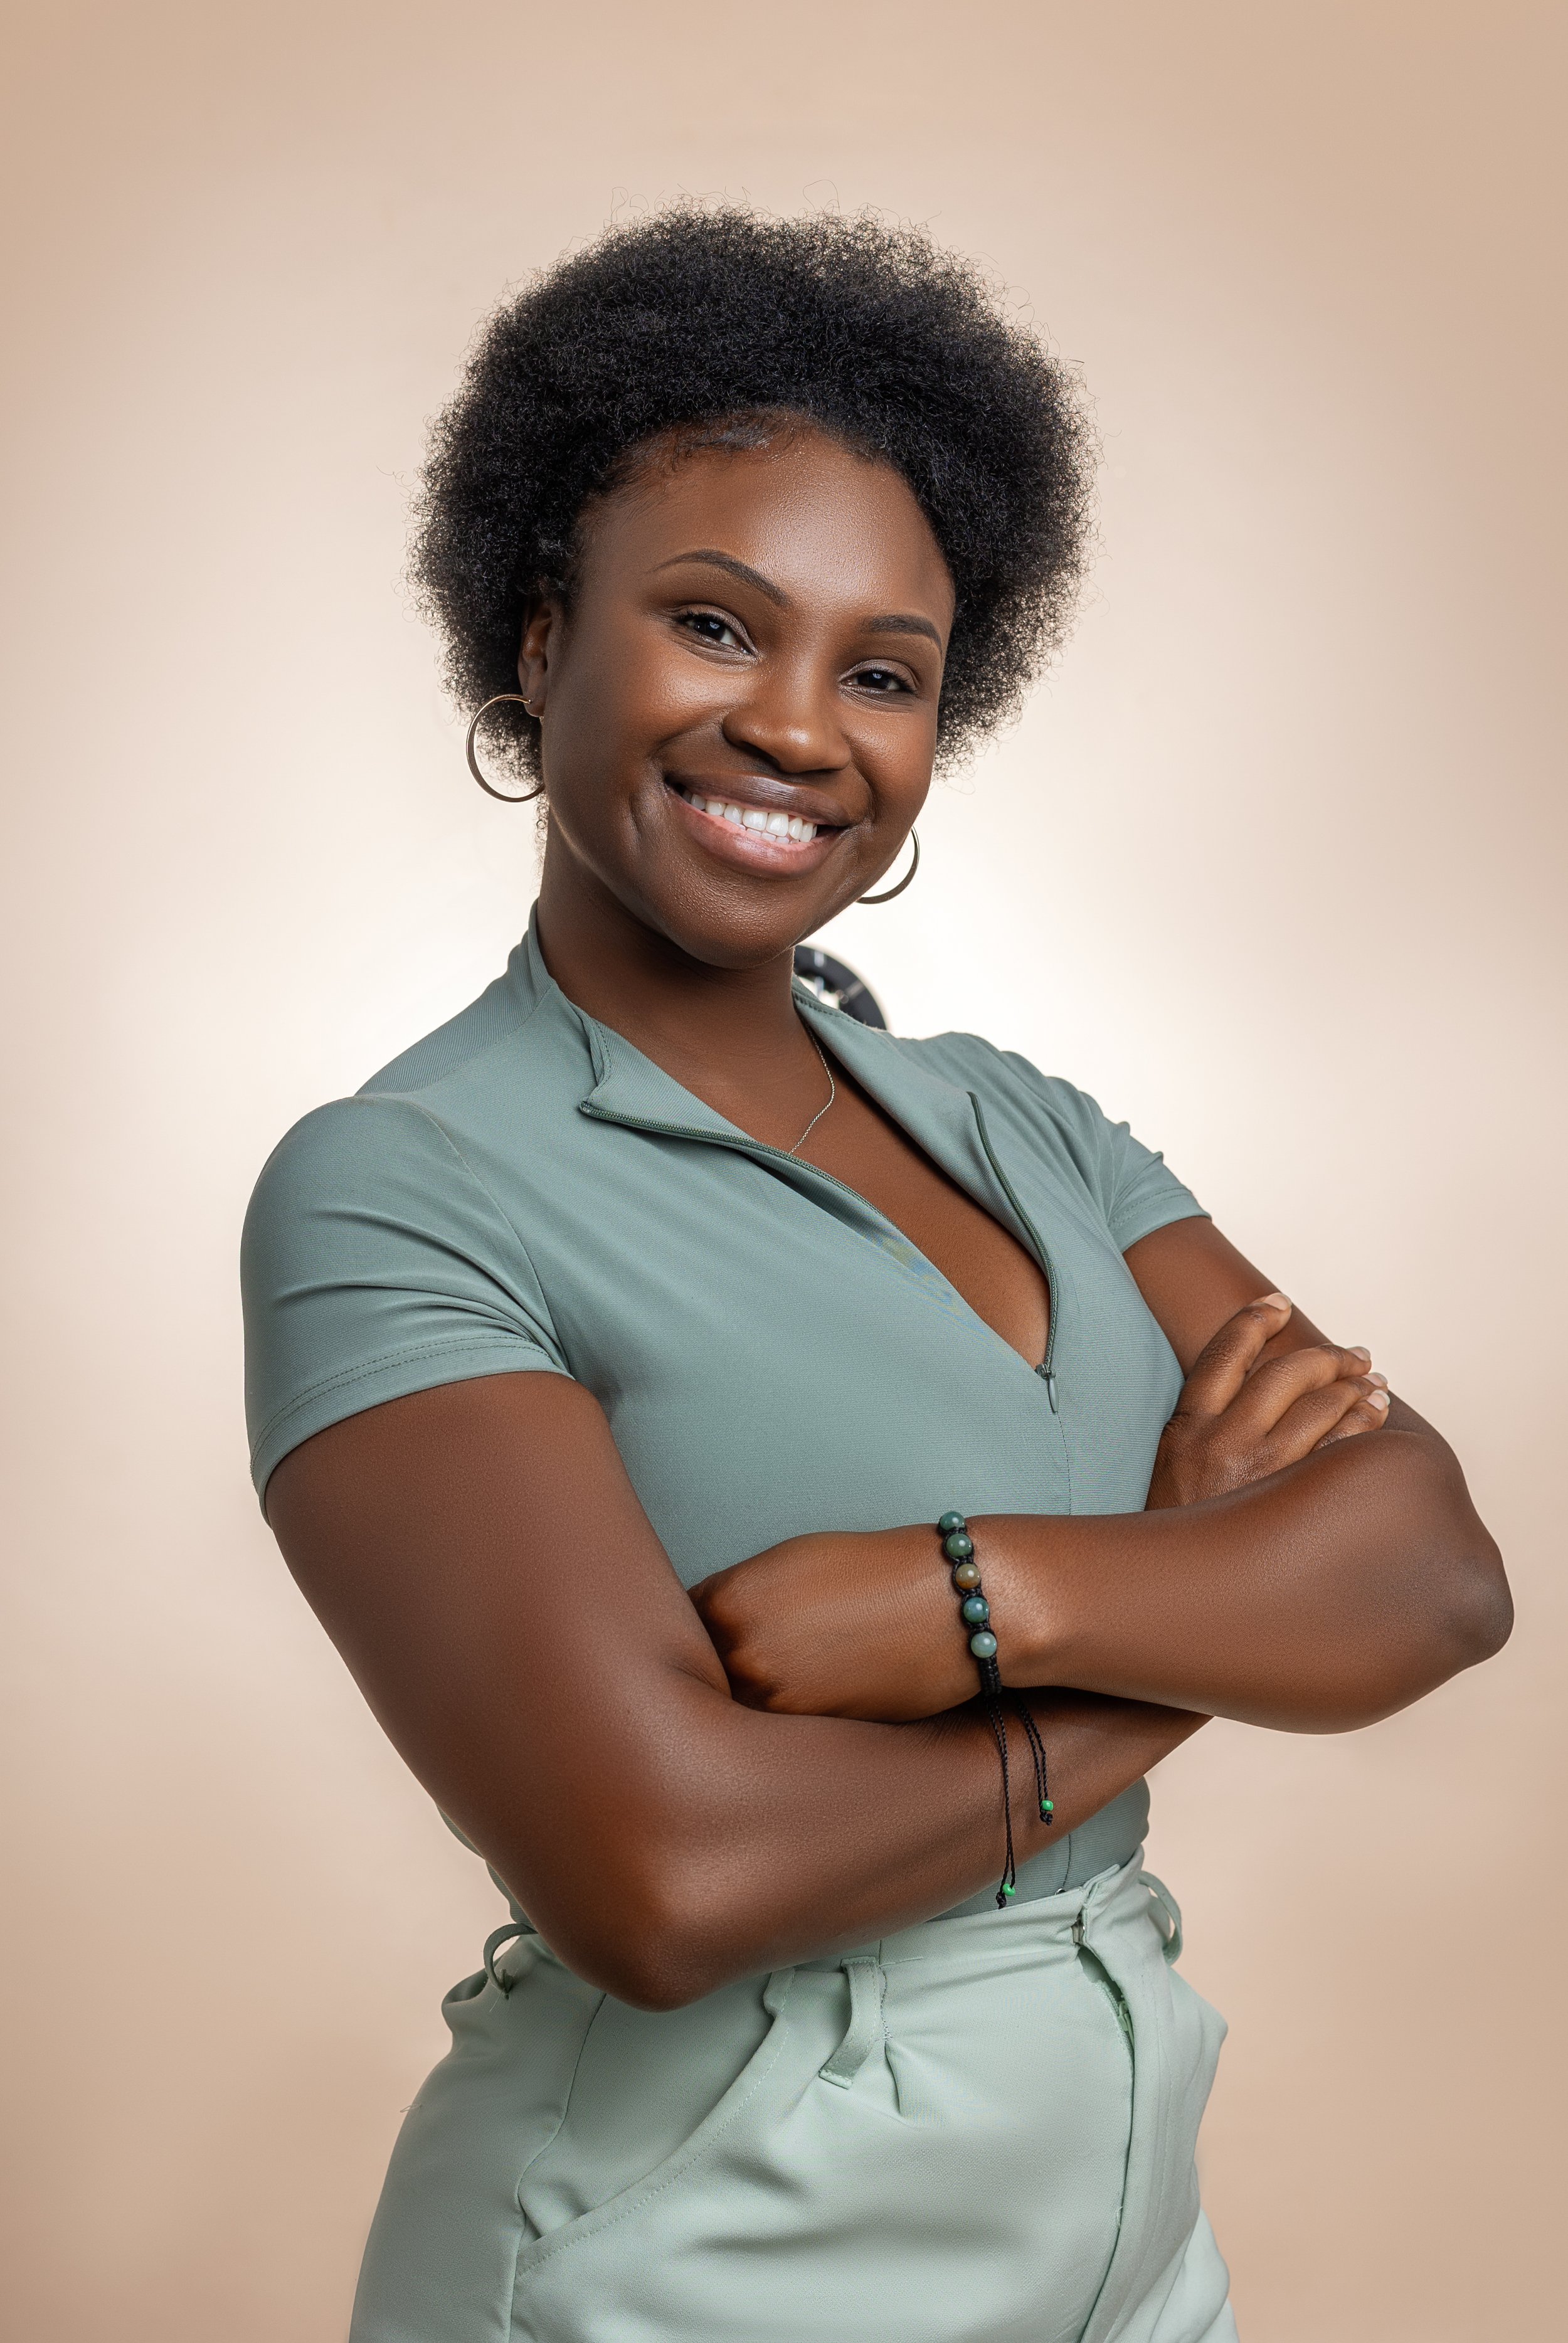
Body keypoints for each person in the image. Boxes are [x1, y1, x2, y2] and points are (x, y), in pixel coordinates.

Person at [241, 207, 1509, 2343]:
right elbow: (667, 1881)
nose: (800, 729)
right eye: (717, 628)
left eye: (884, 671)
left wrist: (981, 1599)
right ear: (540, 641)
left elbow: (1426, 1571)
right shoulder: (401, 1188)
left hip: (1120, 2224)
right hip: (687, 2253)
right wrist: (1208, 1600)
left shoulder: (1024, 1120)